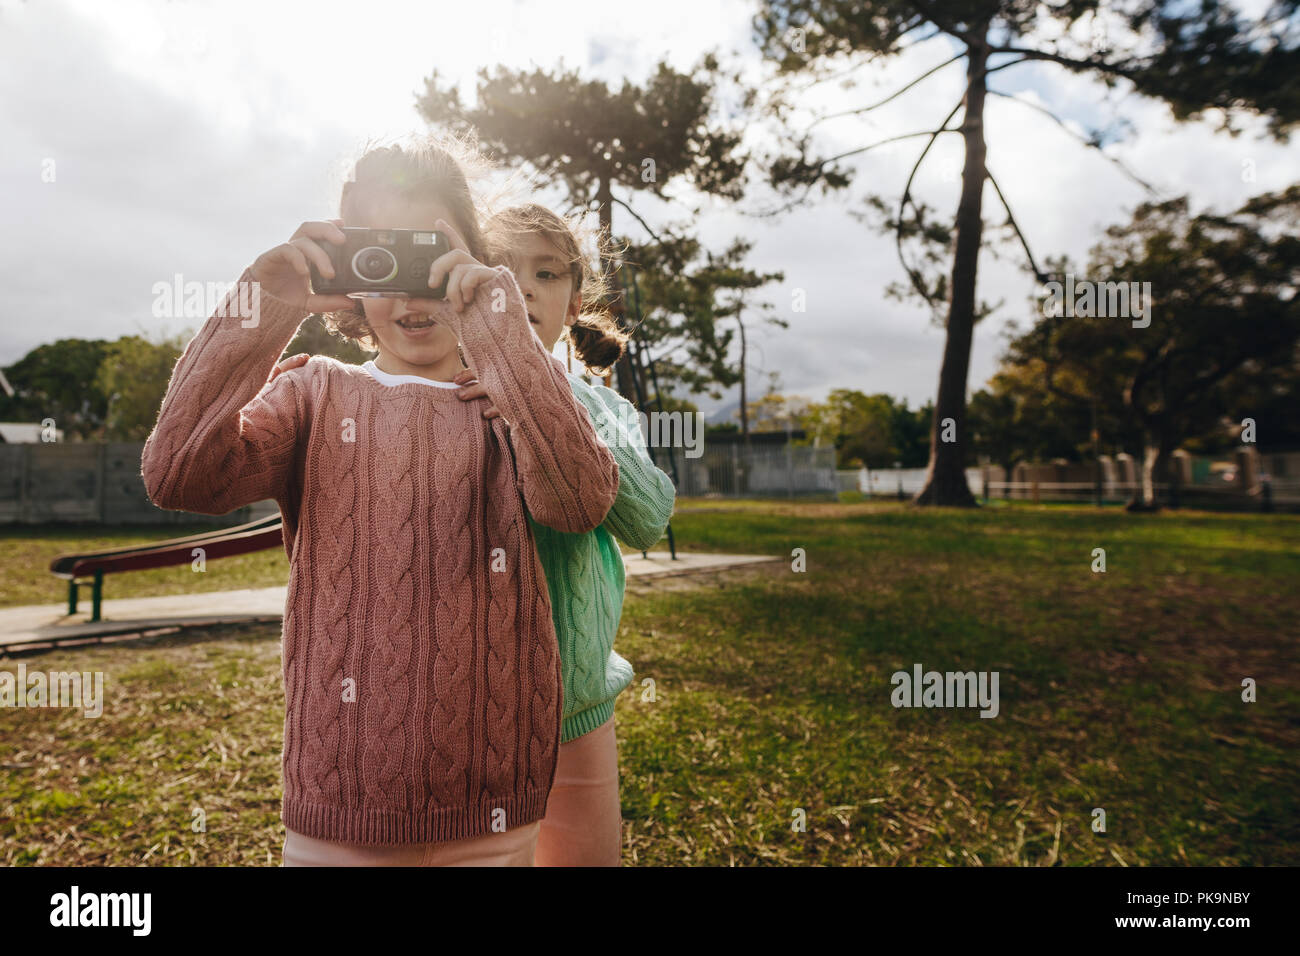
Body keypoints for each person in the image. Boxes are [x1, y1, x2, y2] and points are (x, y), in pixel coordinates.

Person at [141, 137, 619, 865]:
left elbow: (580, 501)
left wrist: (503, 339)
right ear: (349, 275)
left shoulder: (508, 398)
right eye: (381, 260)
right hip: (339, 808)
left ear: (476, 261)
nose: (409, 293)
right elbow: (178, 473)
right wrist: (264, 300)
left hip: (494, 807)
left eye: (429, 257)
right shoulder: (313, 393)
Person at [459, 203, 676, 865]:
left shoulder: (599, 403)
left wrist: (547, 401)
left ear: (574, 302)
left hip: (578, 705)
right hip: (467, 713)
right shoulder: (444, 394)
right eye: (498, 269)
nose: (520, 288)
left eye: (545, 274)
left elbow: (647, 517)